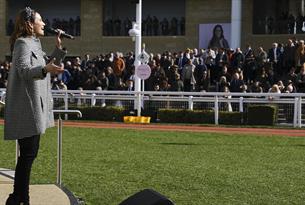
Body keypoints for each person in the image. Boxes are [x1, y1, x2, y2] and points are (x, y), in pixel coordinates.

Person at [4, 7, 67, 205]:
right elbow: (24, 70)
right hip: (27, 109)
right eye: (41, 20)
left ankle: (19, 197)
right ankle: (19, 198)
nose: (44, 24)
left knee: (28, 156)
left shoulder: (33, 43)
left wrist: (58, 49)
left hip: (33, 107)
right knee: (28, 156)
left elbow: (47, 65)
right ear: (30, 23)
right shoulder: (23, 43)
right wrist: (45, 68)